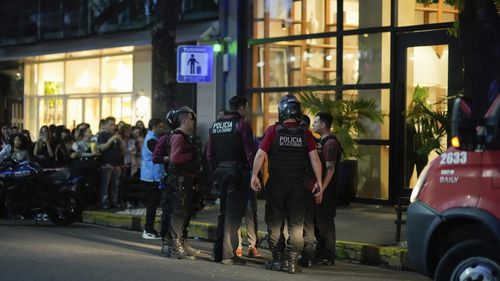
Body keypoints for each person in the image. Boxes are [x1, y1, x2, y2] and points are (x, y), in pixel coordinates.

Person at [250, 94, 323, 274]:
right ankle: (291, 261)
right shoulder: (306, 134)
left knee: (274, 222)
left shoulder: (273, 131)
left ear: (282, 111)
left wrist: (254, 175)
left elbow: (260, 155)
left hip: (276, 183)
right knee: (296, 224)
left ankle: (277, 259)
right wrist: (319, 181)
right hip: (297, 184)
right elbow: (314, 158)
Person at [207, 95, 257, 265]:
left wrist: (217, 172)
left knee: (223, 213)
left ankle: (218, 253)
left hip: (221, 172)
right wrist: (255, 174)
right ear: (242, 107)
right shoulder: (242, 125)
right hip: (238, 172)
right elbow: (250, 152)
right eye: (247, 108)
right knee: (233, 215)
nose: (247, 111)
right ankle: (228, 255)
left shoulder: (215, 126)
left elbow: (210, 155)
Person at [160, 106, 200, 259]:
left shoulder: (183, 136)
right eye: (191, 119)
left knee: (183, 213)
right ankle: (175, 246)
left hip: (184, 180)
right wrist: (191, 155)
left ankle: (180, 242)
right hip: (179, 180)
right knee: (178, 213)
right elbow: (175, 158)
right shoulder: (178, 137)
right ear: (184, 120)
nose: (193, 123)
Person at [310, 112, 342, 266]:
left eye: (315, 122)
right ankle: (321, 252)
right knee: (318, 221)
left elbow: (330, 169)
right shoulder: (321, 142)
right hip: (320, 187)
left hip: (326, 189)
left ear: (323, 125)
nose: (313, 125)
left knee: (325, 221)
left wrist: (322, 188)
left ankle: (328, 255)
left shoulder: (330, 144)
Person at [140, 118, 166, 239]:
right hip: (151, 177)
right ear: (154, 127)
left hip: (153, 176)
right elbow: (159, 155)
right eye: (160, 126)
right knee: (152, 204)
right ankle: (148, 229)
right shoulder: (151, 139)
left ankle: (149, 229)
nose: (162, 129)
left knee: (154, 204)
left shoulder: (152, 137)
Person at [97, 117, 125, 209]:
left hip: (117, 164)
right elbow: (102, 148)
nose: (113, 126)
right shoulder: (102, 135)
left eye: (114, 124)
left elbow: (123, 150)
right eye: (111, 124)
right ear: (105, 125)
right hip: (107, 164)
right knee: (105, 185)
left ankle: (114, 201)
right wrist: (112, 139)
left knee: (115, 185)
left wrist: (120, 141)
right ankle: (104, 202)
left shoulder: (117, 135)